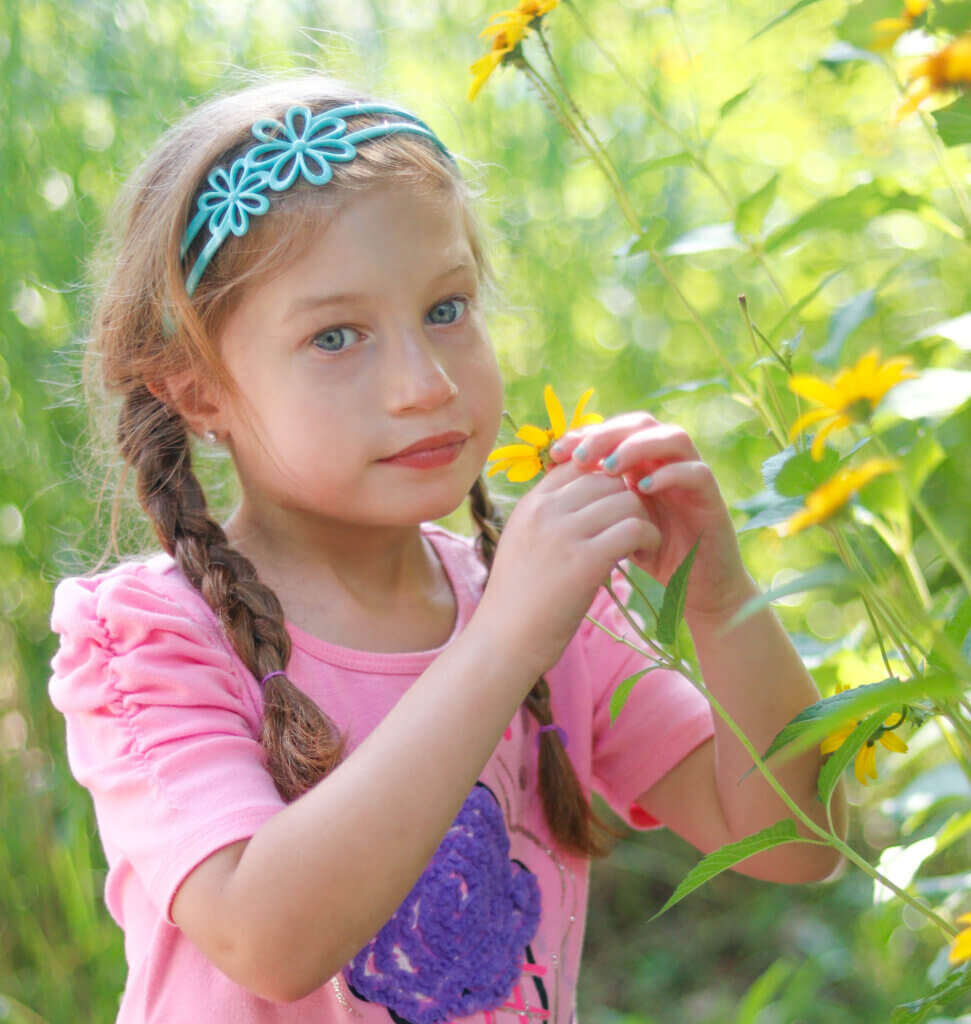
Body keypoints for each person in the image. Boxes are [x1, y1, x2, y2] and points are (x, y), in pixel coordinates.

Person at [49, 74, 844, 1023]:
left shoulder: (548, 605)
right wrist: (505, 642)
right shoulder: (145, 640)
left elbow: (792, 844)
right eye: (335, 336)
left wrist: (721, 603)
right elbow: (269, 940)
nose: (424, 384)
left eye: (446, 310)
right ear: (194, 388)